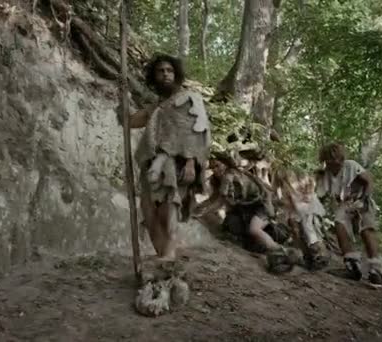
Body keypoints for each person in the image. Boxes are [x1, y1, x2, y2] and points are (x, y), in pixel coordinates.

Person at [118, 54, 211, 262]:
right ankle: (164, 258)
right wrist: (121, 97)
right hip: (152, 165)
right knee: (149, 213)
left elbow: (196, 132)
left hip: (177, 165)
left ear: (176, 74)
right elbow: (129, 122)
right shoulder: (156, 108)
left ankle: (169, 256)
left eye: (169, 70)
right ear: (154, 77)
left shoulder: (189, 99)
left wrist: (190, 162)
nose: (166, 74)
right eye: (161, 71)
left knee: (168, 211)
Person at [197, 151, 302, 273]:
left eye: (217, 166)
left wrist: (200, 212)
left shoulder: (230, 176)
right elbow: (215, 198)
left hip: (261, 206)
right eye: (212, 167)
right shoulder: (219, 179)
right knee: (232, 224)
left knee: (254, 229)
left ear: (225, 165)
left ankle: (282, 252)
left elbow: (220, 202)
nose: (215, 170)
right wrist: (199, 207)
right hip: (246, 208)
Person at [315, 142, 382, 285]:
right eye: (330, 159)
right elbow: (320, 196)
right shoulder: (326, 174)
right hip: (345, 203)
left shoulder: (350, 165)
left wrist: (363, 200)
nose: (334, 162)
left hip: (361, 198)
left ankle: (376, 270)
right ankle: (352, 265)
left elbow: (369, 180)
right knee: (340, 224)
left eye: (336, 158)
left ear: (341, 158)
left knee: (366, 230)